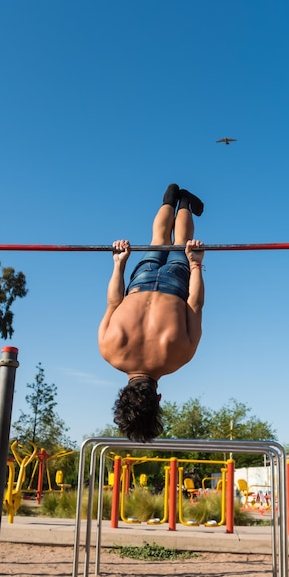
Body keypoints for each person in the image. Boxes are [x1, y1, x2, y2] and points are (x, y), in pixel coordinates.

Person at [98, 183, 205, 442]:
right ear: (123, 392)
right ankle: (169, 201)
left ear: (158, 399)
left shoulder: (179, 357)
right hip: (140, 283)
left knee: (181, 243)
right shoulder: (108, 349)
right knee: (158, 240)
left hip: (176, 283)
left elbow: (195, 304)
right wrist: (119, 264)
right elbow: (114, 302)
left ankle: (184, 204)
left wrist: (196, 265)